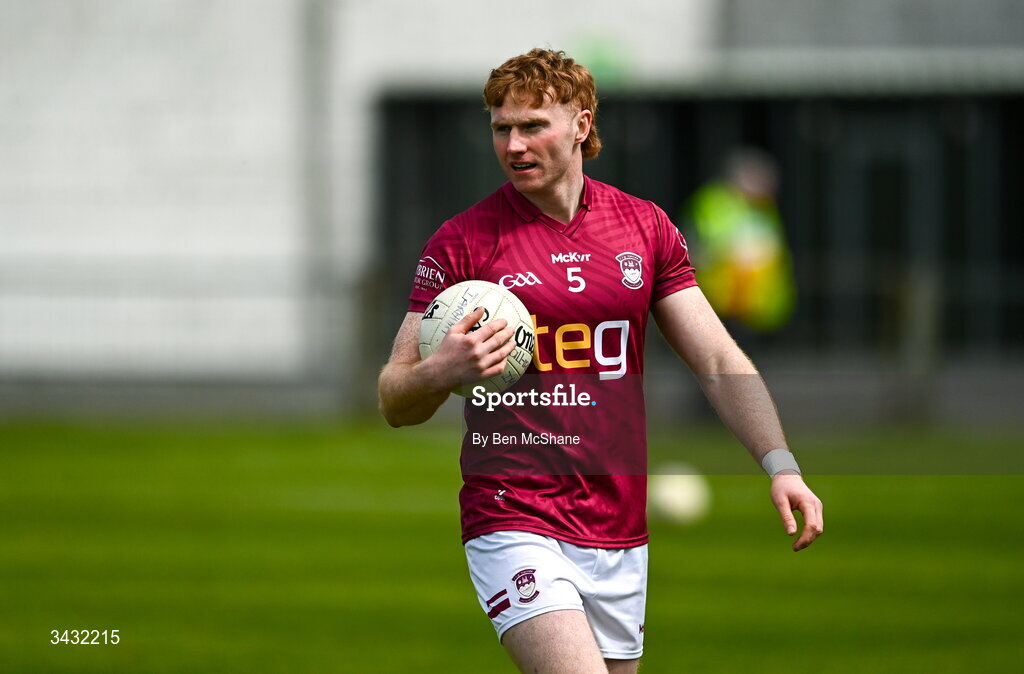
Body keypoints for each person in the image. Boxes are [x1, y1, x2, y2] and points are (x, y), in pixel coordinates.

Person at [378, 48, 823, 674]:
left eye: (534, 125)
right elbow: (395, 397)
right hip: (513, 513)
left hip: (618, 527)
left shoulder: (644, 229)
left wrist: (781, 464)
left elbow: (717, 357)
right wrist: (440, 371)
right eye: (501, 128)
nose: (514, 145)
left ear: (582, 125)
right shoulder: (462, 243)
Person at [682, 148, 797, 337]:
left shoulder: (764, 208)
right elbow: (698, 248)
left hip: (757, 309)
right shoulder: (712, 202)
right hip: (721, 302)